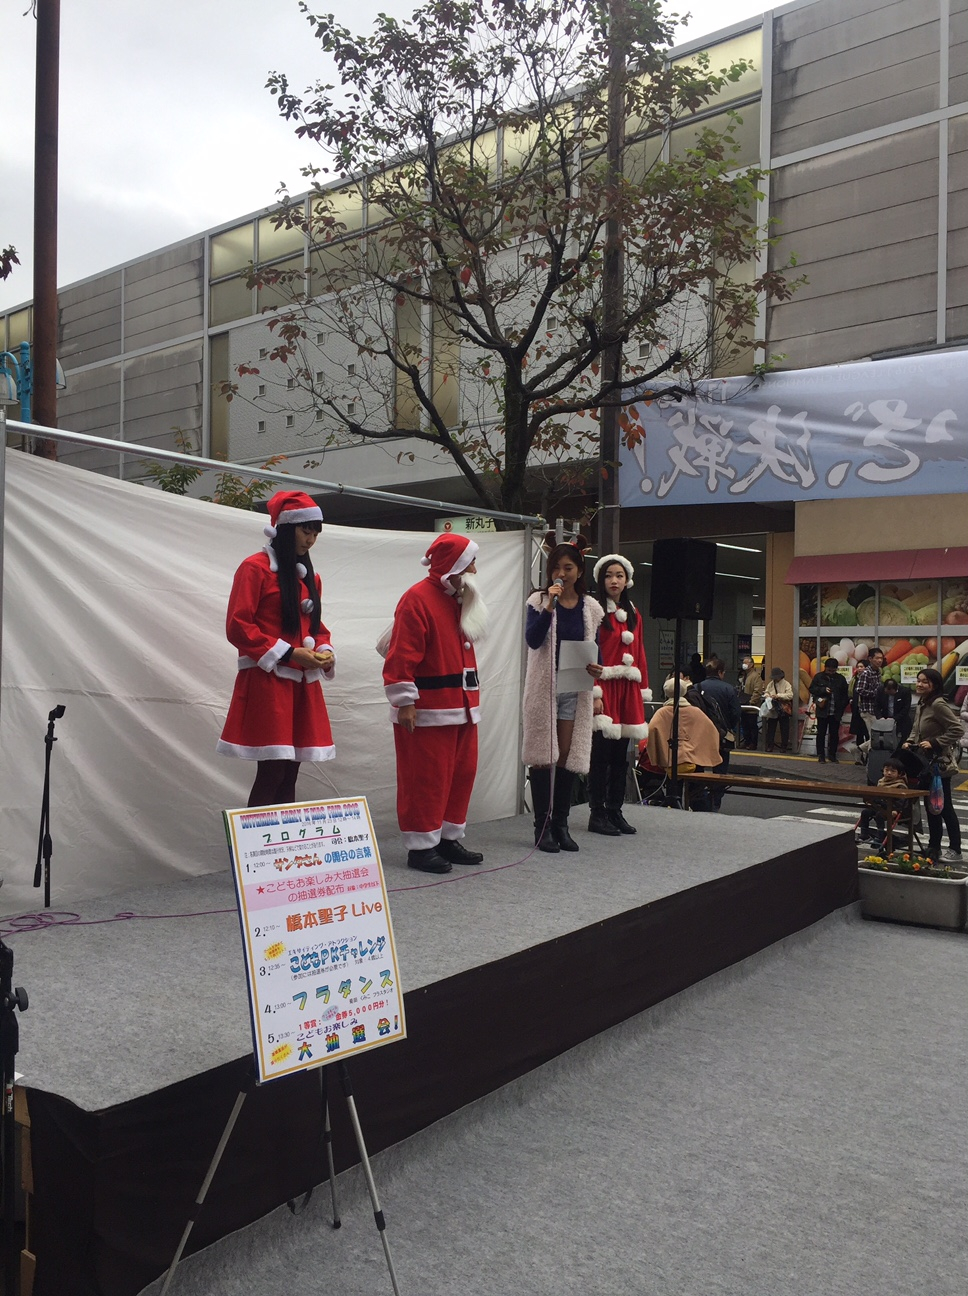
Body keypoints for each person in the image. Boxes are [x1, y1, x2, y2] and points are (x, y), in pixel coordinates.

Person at [217, 490, 336, 807]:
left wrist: (324, 651)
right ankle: (258, 839)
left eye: (315, 533)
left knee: (290, 773)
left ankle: (284, 839)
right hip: (268, 682)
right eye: (305, 531)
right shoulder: (254, 568)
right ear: (285, 528)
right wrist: (288, 653)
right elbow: (238, 625)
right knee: (272, 772)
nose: (310, 540)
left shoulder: (311, 578)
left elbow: (315, 627)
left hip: (301, 684)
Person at [382, 533, 489, 874]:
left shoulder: (459, 599)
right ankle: (421, 846)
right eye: (470, 563)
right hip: (428, 709)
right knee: (426, 779)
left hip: (463, 707)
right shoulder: (417, 599)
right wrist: (405, 702)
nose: (475, 569)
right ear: (454, 565)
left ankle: (446, 837)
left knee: (461, 774)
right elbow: (401, 655)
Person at [523, 538, 604, 852]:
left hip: (574, 685)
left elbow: (595, 647)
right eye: (556, 567)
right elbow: (533, 640)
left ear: (579, 570)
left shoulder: (590, 607)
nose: (561, 573)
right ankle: (541, 827)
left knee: (566, 755)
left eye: (568, 567)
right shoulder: (538, 600)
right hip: (544, 687)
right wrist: (549, 607)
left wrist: (598, 668)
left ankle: (561, 823)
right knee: (543, 755)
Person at [586, 554, 651, 836]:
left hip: (627, 690)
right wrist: (594, 692)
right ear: (601, 580)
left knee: (620, 756)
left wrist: (642, 689)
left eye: (619, 575)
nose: (614, 580)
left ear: (627, 581)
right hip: (605, 688)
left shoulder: (634, 613)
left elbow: (640, 653)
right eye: (609, 575)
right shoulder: (594, 611)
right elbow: (588, 653)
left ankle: (615, 810)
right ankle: (597, 812)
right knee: (600, 754)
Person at [903, 667, 963, 864]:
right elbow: (916, 729)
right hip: (925, 764)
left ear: (934, 685)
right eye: (918, 680)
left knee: (943, 807)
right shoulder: (923, 702)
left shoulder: (938, 704)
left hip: (939, 766)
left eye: (924, 682)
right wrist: (909, 741)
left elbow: (957, 729)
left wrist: (935, 742)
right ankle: (933, 847)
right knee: (931, 807)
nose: (919, 684)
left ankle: (955, 849)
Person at [645, 677, 723, 806]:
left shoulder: (662, 712)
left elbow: (652, 730)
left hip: (672, 761)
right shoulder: (696, 711)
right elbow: (712, 731)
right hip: (695, 761)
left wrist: (660, 752)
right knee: (696, 794)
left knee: (673, 792)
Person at [698, 658, 741, 808]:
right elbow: (736, 713)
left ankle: (699, 800)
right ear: (720, 672)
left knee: (699, 767)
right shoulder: (728, 689)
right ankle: (715, 801)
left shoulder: (697, 687)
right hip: (721, 735)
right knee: (720, 770)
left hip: (701, 735)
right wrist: (729, 727)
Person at [855, 757, 908, 847]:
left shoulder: (900, 785)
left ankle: (880, 837)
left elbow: (901, 801)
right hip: (879, 806)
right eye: (886, 770)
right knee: (865, 812)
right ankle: (864, 834)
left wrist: (896, 810)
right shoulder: (881, 782)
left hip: (891, 809)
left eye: (893, 771)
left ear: (899, 774)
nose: (889, 773)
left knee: (880, 815)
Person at [809, 658, 849, 763]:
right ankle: (821, 755)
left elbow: (845, 695)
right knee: (821, 733)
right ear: (825, 668)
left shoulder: (840, 679)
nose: (831, 672)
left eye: (833, 670)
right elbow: (812, 689)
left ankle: (832, 755)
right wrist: (823, 690)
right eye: (829, 670)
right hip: (823, 711)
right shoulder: (819, 677)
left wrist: (841, 708)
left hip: (835, 712)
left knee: (834, 734)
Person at [850, 646, 884, 756]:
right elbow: (859, 689)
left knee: (877, 736)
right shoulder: (866, 673)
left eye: (881, 658)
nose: (880, 660)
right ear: (870, 659)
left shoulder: (878, 672)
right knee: (874, 736)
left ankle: (858, 750)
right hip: (867, 710)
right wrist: (875, 694)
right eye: (877, 658)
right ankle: (870, 758)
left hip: (876, 710)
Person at [763, 667, 795, 752]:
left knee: (784, 728)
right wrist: (767, 695)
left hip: (782, 708)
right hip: (773, 708)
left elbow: (790, 695)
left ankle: (784, 746)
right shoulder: (771, 684)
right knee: (771, 728)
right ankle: (770, 745)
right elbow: (766, 691)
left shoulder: (786, 684)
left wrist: (778, 696)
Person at [873, 677, 913, 742]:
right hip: (885, 721)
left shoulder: (905, 691)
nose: (890, 694)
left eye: (891, 693)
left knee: (902, 740)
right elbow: (876, 705)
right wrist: (880, 717)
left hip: (901, 720)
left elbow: (906, 708)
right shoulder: (880, 690)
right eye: (887, 693)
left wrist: (894, 718)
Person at [738, 657, 765, 749]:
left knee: (752, 725)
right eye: (743, 662)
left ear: (752, 664)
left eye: (746, 663)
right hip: (744, 703)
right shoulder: (745, 676)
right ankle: (746, 741)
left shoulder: (755, 676)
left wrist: (751, 702)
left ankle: (753, 743)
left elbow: (757, 691)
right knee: (744, 724)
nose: (744, 664)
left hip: (751, 706)